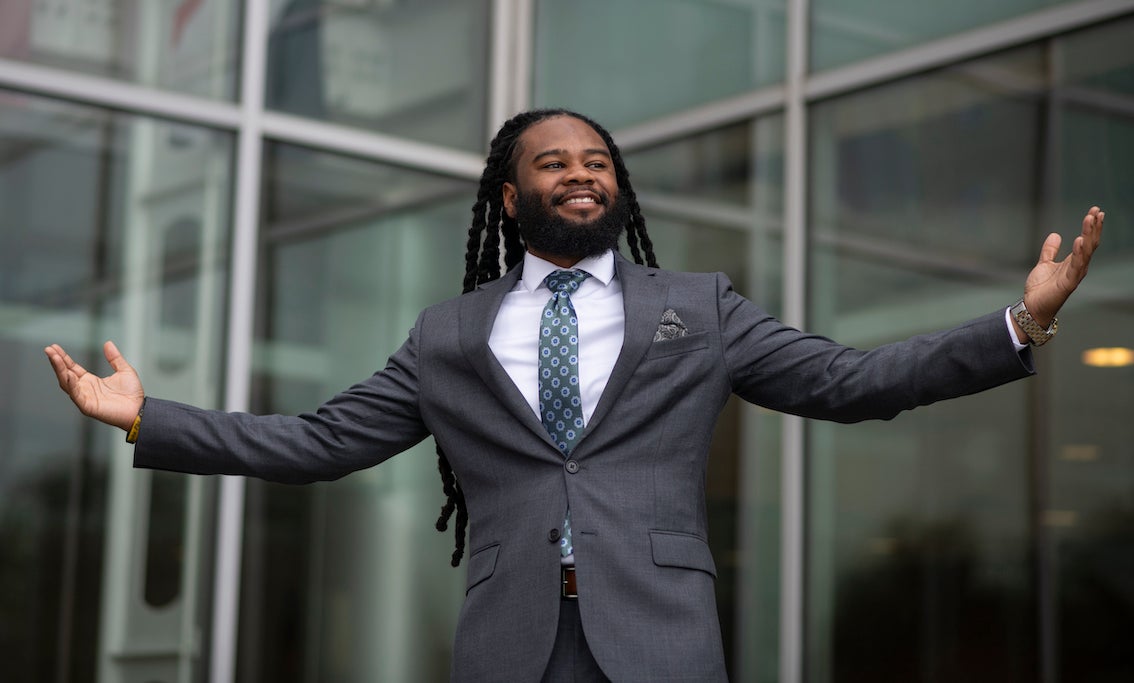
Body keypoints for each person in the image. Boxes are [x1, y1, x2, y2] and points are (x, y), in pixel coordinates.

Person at [45, 108, 1104, 683]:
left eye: (597, 160)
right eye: (554, 163)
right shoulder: (450, 332)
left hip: (660, 633)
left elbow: (849, 380)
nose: (582, 173)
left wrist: (1019, 324)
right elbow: (324, 440)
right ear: (511, 197)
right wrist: (147, 413)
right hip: (509, 638)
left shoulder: (700, 304)